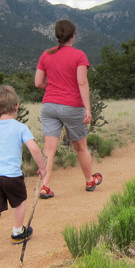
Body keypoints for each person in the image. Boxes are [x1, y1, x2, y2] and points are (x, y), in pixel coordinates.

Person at [0, 85, 46, 262]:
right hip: (12, 175)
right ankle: (17, 231)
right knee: (20, 200)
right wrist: (42, 167)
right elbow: (33, 147)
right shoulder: (20, 127)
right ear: (17, 106)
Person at [34, 19, 102, 198]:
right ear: (73, 36)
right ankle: (89, 180)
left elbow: (38, 82)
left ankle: (45, 186)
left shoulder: (46, 55)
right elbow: (82, 81)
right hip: (72, 106)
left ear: (57, 36)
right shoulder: (79, 55)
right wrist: (87, 108)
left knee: (49, 149)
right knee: (81, 146)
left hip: (49, 106)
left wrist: (53, 85)